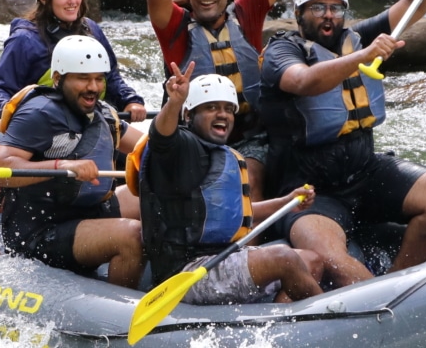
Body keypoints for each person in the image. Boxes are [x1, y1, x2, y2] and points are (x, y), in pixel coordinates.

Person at [258, 0, 426, 288]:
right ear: (298, 13)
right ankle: (384, 308)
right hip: (309, 189)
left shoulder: (357, 38)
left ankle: (399, 283)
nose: (328, 15)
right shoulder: (282, 50)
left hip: (364, 170)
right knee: (332, 260)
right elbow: (303, 81)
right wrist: (363, 57)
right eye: (318, 7)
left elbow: (413, 3)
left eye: (336, 8)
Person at [124, 0, 300, 202]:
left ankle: (250, 245)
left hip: (249, 136)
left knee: (247, 177)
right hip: (194, 136)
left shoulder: (247, 14)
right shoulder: (173, 28)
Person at [129, 65, 323, 304]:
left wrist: (286, 202)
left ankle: (279, 323)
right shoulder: (179, 149)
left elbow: (238, 212)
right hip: (187, 272)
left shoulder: (222, 154)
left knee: (312, 259)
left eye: (228, 109)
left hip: (223, 257)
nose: (223, 115)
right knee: (283, 258)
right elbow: (161, 137)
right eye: (211, 108)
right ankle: (341, 328)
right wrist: (175, 102)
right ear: (189, 115)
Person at [0, 35, 145, 289]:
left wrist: (175, 108)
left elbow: (148, 148)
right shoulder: (39, 113)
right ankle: (121, 312)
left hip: (87, 213)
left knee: (154, 194)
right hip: (41, 231)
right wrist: (60, 166)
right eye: (83, 78)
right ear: (59, 79)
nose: (93, 87)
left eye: (98, 78)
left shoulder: (103, 113)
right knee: (132, 235)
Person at [0, 0, 146, 122]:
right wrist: (15, 118)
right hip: (45, 127)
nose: (72, 1)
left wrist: (130, 101)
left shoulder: (91, 30)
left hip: (91, 121)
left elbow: (111, 78)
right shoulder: (25, 39)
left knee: (148, 147)